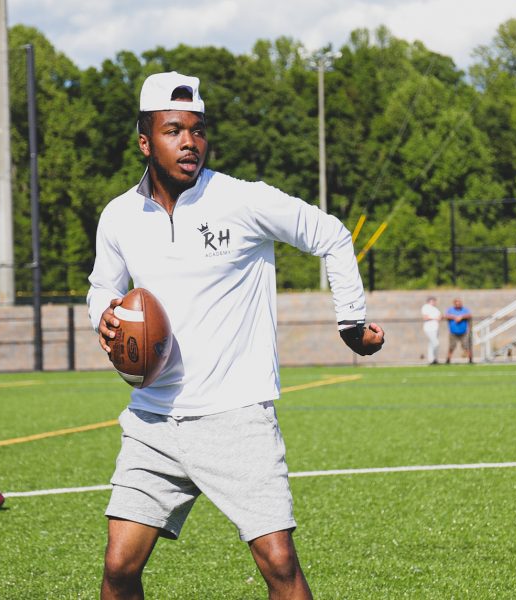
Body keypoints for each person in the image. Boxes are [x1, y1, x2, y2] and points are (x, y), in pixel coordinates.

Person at [87, 71, 384, 600]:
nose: (189, 142)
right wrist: (103, 317)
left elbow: (332, 235)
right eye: (173, 131)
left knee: (279, 564)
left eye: (198, 130)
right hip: (153, 418)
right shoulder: (118, 217)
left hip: (236, 416)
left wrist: (351, 323)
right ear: (144, 142)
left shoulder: (243, 200)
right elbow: (102, 288)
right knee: (119, 567)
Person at [444, 298, 473, 363]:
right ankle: (448, 360)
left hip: (463, 332)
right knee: (451, 347)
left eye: (459, 304)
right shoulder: (451, 310)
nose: (458, 305)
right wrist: (454, 317)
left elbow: (469, 315)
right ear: (454, 304)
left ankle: (470, 360)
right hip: (453, 332)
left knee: (466, 346)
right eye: (457, 304)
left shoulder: (464, 310)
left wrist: (461, 317)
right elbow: (446, 316)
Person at [421, 297, 441, 365]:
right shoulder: (426, 307)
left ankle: (432, 360)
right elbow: (425, 317)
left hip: (436, 328)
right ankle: (433, 358)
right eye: (433, 301)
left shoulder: (435, 309)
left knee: (431, 344)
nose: (435, 302)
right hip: (429, 328)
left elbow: (439, 317)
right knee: (436, 343)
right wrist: (435, 318)